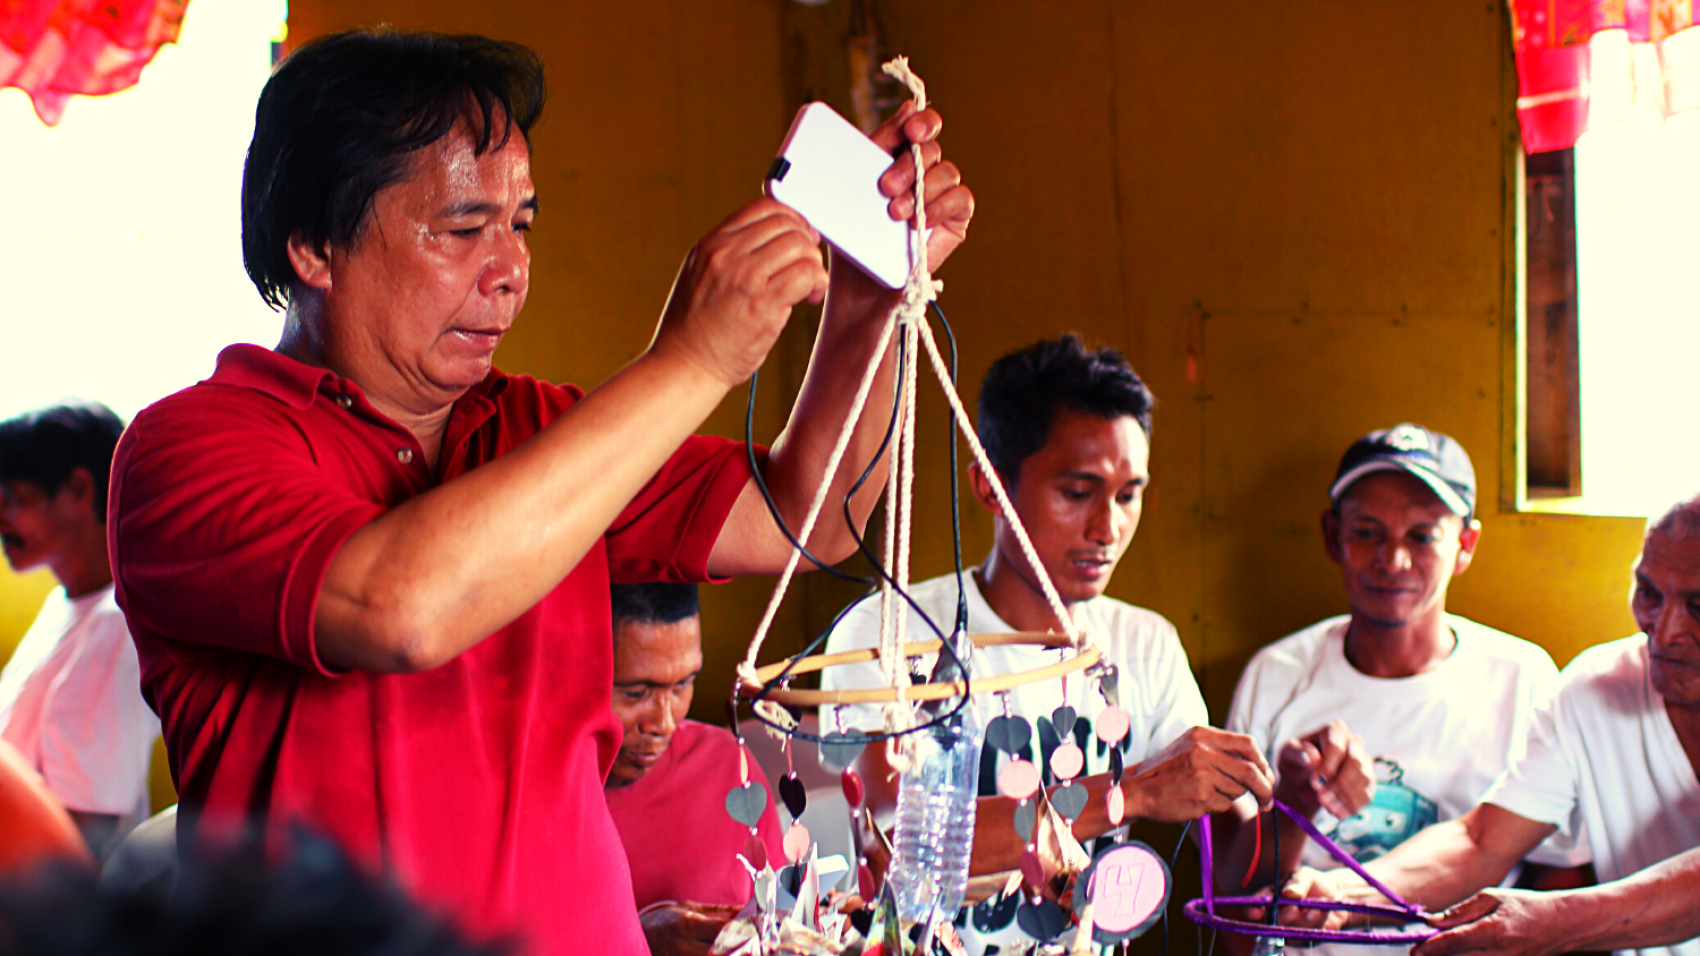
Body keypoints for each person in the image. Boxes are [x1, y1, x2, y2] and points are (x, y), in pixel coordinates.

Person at [105, 28, 971, 956]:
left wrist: (876, 291)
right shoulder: (190, 448)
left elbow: (810, 514)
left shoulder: (539, 434)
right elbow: (401, 606)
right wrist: (691, 359)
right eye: (463, 227)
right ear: (314, 244)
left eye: (520, 225)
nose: (510, 267)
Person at [820, 335, 1275, 947]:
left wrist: (1291, 803)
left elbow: (1239, 864)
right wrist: (1128, 793)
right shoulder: (886, 635)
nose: (1106, 529)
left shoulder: (1145, 643)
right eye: (1078, 493)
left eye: (1129, 496)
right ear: (990, 486)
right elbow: (888, 839)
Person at [1218, 424, 1588, 956]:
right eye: (1366, 532)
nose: (1392, 561)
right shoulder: (1276, 674)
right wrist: (1297, 802)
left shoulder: (1522, 677)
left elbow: (1559, 874)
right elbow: (1232, 895)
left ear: (1465, 545)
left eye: (1421, 536)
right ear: (1332, 537)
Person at [1284, 491, 1700, 956]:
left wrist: (1553, 924)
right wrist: (1345, 893)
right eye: (1648, 594)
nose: (1664, 632)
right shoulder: (1593, 691)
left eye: (1698, 606)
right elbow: (1480, 839)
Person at [0, 402, 158, 861]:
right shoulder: (67, 605)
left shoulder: (115, 627)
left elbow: (84, 844)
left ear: (79, 488)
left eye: (9, 499)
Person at [603, 582, 784, 956]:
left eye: (684, 683)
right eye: (636, 693)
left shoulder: (727, 767)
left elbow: (782, 919)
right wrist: (638, 940)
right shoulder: (529, 798)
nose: (664, 722)